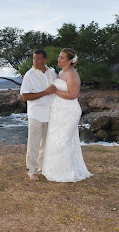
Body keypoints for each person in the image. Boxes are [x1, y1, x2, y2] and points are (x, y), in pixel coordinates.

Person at [42, 48, 92, 182]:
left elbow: (73, 95)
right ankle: (54, 170)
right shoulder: (62, 72)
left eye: (62, 57)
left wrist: (55, 91)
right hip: (58, 112)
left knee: (63, 142)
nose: (58, 59)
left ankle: (65, 172)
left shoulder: (72, 74)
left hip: (68, 112)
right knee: (55, 140)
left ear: (70, 61)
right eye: (59, 56)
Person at [20, 50, 57, 180]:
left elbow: (58, 90)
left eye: (38, 59)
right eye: (34, 58)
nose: (35, 61)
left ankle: (43, 168)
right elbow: (25, 96)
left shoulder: (52, 73)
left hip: (50, 113)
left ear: (45, 60)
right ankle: (32, 170)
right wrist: (45, 92)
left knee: (47, 144)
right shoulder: (29, 75)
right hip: (36, 113)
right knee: (34, 143)